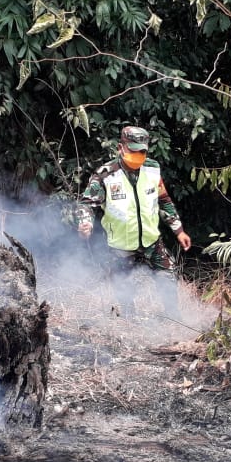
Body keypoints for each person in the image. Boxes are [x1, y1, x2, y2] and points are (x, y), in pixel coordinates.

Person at [76, 126, 192, 318]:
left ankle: (173, 318)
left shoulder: (152, 169)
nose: (138, 155)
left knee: (168, 276)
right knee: (124, 286)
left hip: (151, 241)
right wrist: (85, 222)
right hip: (120, 246)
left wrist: (179, 230)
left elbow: (163, 200)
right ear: (121, 148)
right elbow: (86, 204)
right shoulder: (106, 174)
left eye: (142, 151)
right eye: (133, 150)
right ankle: (130, 322)